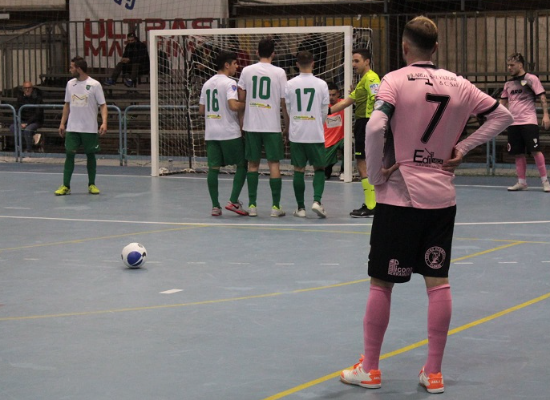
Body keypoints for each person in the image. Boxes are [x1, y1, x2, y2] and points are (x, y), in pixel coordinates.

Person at [339, 16, 513, 393]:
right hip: (441, 200)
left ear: (404, 47)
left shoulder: (394, 80)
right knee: (438, 283)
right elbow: (503, 115)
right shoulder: (460, 84)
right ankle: (433, 373)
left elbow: (374, 126)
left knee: (381, 283)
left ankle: (370, 368)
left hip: (399, 197)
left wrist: (376, 175)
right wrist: (463, 147)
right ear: (436, 48)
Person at [238, 37, 290, 217]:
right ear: (273, 54)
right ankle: (275, 207)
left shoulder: (246, 70)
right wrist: (287, 125)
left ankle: (252, 206)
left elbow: (241, 98)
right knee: (274, 164)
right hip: (272, 125)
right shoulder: (280, 72)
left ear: (256, 52)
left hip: (252, 124)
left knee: (252, 165)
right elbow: (284, 102)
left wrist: (241, 119)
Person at [329, 48, 380, 217]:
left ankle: (372, 205)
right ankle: (373, 203)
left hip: (366, 123)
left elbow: (377, 99)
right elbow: (346, 102)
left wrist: (375, 122)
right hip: (363, 123)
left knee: (363, 163)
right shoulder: (363, 81)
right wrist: (324, 112)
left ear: (367, 61)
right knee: (364, 163)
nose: (353, 64)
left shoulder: (371, 78)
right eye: (353, 61)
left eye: (357, 61)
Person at [199, 50, 248, 217]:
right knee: (242, 165)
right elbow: (233, 106)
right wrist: (247, 103)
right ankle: (233, 201)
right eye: (234, 63)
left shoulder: (207, 84)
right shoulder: (230, 83)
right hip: (228, 132)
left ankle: (215, 206)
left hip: (211, 132)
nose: (237, 66)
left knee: (213, 169)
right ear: (226, 65)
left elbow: (201, 110)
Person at [285, 51, 330, 218]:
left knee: (299, 169)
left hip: (297, 133)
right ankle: (317, 201)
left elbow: (288, 109)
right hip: (315, 132)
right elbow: (324, 110)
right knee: (319, 168)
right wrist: (317, 123)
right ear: (313, 63)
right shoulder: (322, 84)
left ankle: (300, 208)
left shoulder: (289, 84)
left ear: (297, 64)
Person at [55, 56, 108, 196]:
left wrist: (104, 122)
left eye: (72, 67)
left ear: (78, 69)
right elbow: (67, 104)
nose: (70, 69)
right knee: (69, 154)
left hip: (89, 128)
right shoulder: (70, 84)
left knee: (90, 155)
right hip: (72, 128)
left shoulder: (95, 85)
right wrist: (62, 123)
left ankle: (92, 184)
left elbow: (103, 105)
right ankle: (66, 186)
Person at [500, 53, 550, 192]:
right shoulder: (508, 84)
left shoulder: (531, 79)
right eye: (508, 65)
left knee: (535, 151)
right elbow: (502, 102)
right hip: (513, 123)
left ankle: (545, 181)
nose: (509, 68)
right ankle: (522, 182)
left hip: (529, 121)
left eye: (512, 65)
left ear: (520, 65)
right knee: (518, 153)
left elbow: (542, 97)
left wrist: (546, 115)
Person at [9, 81, 43, 153]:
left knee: (27, 130)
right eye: (25, 88)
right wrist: (20, 122)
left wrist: (27, 123)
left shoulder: (38, 98)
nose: (27, 90)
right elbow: (17, 111)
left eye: (29, 88)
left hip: (34, 121)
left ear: (32, 88)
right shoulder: (20, 98)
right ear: (23, 89)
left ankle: (29, 150)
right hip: (22, 121)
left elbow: (38, 114)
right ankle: (24, 145)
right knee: (12, 127)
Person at [323, 82, 345, 180]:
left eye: (333, 95)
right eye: (329, 95)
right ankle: (327, 170)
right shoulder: (322, 106)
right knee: (325, 173)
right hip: (328, 141)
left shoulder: (344, 103)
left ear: (338, 94)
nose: (331, 97)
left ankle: (344, 171)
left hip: (342, 138)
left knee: (348, 146)